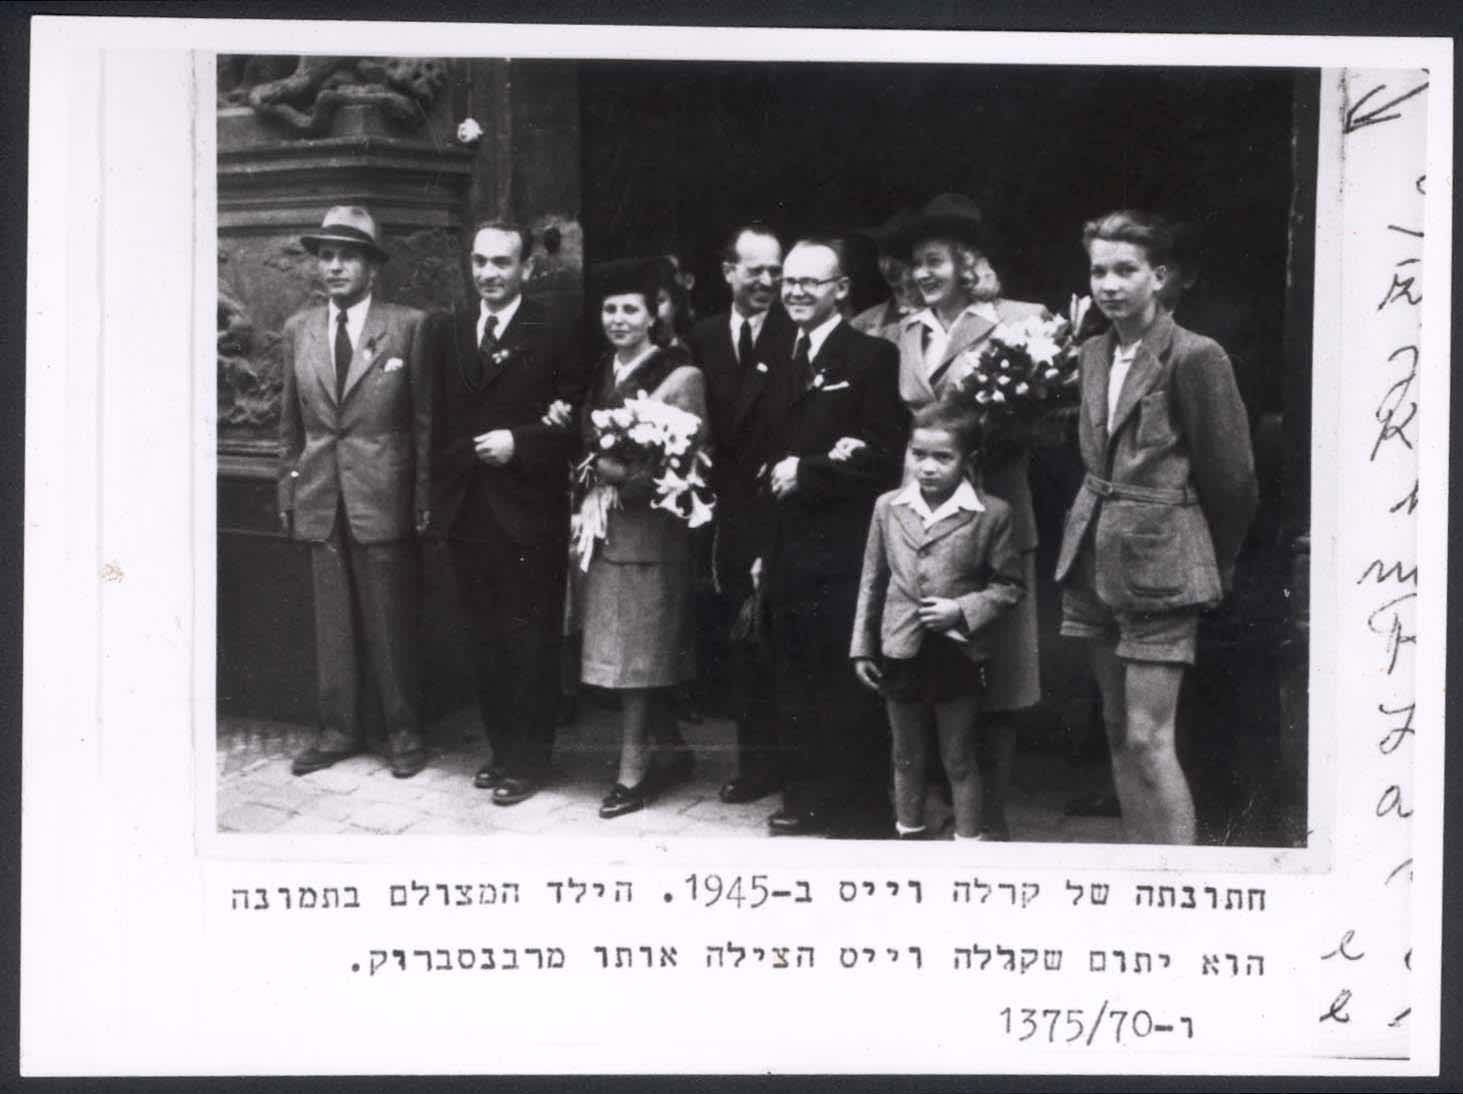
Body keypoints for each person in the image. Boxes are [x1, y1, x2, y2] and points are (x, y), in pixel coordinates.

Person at [1054, 210, 1257, 845]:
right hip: (1093, 558)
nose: (1109, 284)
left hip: (1163, 567)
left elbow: (1233, 479)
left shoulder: (1196, 356)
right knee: (1117, 732)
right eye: (1098, 271)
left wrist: (1211, 563)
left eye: (1125, 270)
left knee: (1148, 738)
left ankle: (1180, 883)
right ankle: (1144, 873)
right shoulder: (1091, 353)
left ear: (1159, 276)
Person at [891, 193, 1046, 839]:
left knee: (1000, 675)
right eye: (915, 265)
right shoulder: (904, 330)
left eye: (934, 262)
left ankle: (991, 819)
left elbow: (1043, 423)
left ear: (964, 261)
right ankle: (935, 811)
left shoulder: (1019, 322)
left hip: (992, 516)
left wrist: (999, 434)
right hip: (924, 525)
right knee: (935, 670)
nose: (923, 275)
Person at [427, 219, 585, 804]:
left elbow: (575, 422)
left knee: (530, 639)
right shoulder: (450, 332)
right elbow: (438, 420)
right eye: (480, 262)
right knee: (484, 637)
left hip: (528, 509)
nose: (488, 274)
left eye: (501, 263)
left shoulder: (554, 328)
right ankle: (500, 751)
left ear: (526, 269)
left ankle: (530, 760)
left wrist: (520, 443)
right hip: (468, 509)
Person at [759, 236, 907, 836]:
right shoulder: (778, 353)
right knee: (792, 670)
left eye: (810, 282)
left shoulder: (870, 357)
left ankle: (854, 810)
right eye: (789, 281)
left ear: (841, 290)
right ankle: (803, 797)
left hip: (843, 544)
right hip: (788, 541)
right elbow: (766, 453)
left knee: (841, 674)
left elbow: (886, 456)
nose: (795, 292)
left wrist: (811, 470)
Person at [278, 205, 431, 779]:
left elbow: (424, 424)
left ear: (372, 266)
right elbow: (289, 425)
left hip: (383, 493)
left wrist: (422, 497)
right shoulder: (299, 329)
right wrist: (287, 494)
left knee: (391, 620)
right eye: (326, 256)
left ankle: (404, 733)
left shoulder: (407, 326)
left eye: (347, 256)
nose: (334, 267)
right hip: (320, 492)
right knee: (333, 622)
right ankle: (338, 731)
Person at [851, 403, 1025, 838]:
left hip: (956, 650)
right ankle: (908, 836)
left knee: (958, 756)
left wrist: (962, 610)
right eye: (918, 454)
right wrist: (862, 647)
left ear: (970, 461)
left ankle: (968, 847)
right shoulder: (888, 507)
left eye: (943, 457)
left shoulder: (993, 514)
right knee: (905, 755)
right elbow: (872, 580)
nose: (927, 467)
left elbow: (1009, 586)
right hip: (900, 646)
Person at [578, 259, 709, 819]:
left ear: (655, 312)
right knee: (622, 647)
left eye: (631, 307)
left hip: (651, 531)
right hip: (603, 527)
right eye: (610, 309)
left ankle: (633, 770)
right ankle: (672, 747)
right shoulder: (601, 370)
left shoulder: (680, 376)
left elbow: (696, 463)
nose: (619, 319)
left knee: (638, 652)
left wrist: (621, 478)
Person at [687, 222, 794, 804]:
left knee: (776, 637)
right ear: (728, 272)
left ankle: (781, 765)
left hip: (777, 503)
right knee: (737, 633)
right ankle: (755, 761)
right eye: (755, 269)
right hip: (721, 507)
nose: (768, 281)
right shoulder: (702, 336)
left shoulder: (796, 333)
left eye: (775, 270)